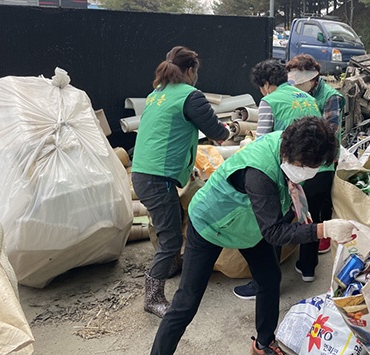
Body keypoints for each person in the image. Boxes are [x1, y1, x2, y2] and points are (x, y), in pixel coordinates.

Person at [150, 117, 358, 355]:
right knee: (186, 303)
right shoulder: (259, 173)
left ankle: (263, 343)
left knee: (269, 279)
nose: (311, 171)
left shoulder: (288, 145)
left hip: (251, 226)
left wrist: (299, 207)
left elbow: (283, 195)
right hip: (212, 224)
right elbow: (273, 233)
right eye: (307, 166)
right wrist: (325, 229)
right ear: (291, 154)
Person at [131, 46, 230, 318]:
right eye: (196, 71)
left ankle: (173, 265)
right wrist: (232, 129)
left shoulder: (156, 95)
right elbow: (217, 132)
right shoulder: (190, 96)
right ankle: (153, 297)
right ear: (189, 71)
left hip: (143, 172)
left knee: (172, 222)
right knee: (171, 238)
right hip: (157, 178)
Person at [233, 58, 323, 300]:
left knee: (274, 226)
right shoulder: (308, 98)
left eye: (261, 87)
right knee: (307, 216)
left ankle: (265, 282)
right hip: (313, 168)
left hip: (285, 171)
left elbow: (262, 141)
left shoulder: (269, 101)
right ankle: (307, 269)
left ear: (265, 85)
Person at [285, 54, 345, 255]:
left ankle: (324, 237)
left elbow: (331, 131)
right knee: (306, 201)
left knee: (322, 200)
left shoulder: (330, 97)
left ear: (313, 79)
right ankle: (311, 238)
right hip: (305, 153)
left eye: (301, 83)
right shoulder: (296, 93)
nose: (296, 87)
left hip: (324, 155)